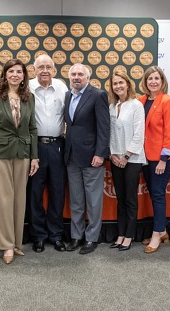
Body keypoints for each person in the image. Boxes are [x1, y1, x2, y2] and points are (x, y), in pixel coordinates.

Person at [0, 59, 39, 264]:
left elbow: (32, 128)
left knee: (19, 200)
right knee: (3, 201)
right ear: (5, 74)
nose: (15, 75)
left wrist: (35, 156)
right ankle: (6, 245)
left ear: (24, 75)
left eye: (19, 71)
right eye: (11, 71)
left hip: (23, 153)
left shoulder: (29, 98)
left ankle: (16, 243)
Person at [63, 63, 110, 255]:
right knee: (76, 200)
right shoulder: (68, 95)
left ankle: (92, 238)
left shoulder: (98, 95)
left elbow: (104, 128)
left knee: (93, 201)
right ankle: (76, 236)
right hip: (71, 156)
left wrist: (100, 154)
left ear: (87, 78)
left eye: (80, 74)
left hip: (92, 157)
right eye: (73, 74)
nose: (76, 77)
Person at [28, 54, 69, 253]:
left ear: (54, 69)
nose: (44, 70)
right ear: (34, 69)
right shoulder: (26, 87)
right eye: (40, 67)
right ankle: (39, 236)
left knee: (57, 193)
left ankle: (56, 235)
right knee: (35, 193)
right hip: (34, 147)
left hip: (57, 146)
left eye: (48, 67)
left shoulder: (62, 87)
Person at [138, 66, 170, 254]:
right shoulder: (141, 100)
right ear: (145, 81)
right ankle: (161, 230)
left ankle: (157, 234)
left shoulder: (168, 101)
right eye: (150, 78)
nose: (153, 81)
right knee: (154, 194)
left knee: (158, 195)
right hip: (144, 156)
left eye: (157, 78)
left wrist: (164, 159)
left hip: (160, 158)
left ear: (162, 81)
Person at [107, 71, 145, 251]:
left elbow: (139, 133)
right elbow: (110, 134)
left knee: (130, 199)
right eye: (115, 84)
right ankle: (120, 234)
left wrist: (126, 156)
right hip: (116, 159)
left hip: (133, 159)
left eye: (121, 83)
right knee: (120, 199)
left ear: (128, 84)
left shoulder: (136, 105)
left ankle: (129, 235)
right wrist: (113, 155)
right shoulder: (112, 107)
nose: (118, 86)